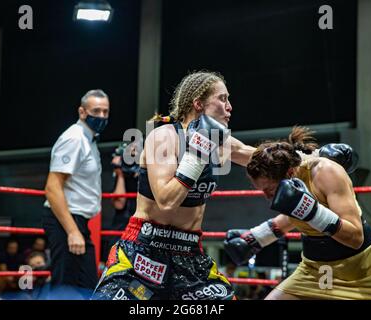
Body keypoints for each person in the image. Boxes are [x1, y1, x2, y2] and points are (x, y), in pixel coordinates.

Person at [92, 71, 353, 300]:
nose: (230, 107)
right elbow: (166, 199)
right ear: (198, 103)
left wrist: (318, 156)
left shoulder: (221, 142)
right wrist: (197, 154)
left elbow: (262, 157)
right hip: (144, 251)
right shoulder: (164, 137)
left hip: (189, 255)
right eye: (222, 99)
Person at [224, 126, 371, 300]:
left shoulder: (327, 172)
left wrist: (313, 212)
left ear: (290, 173)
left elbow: (355, 238)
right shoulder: (268, 163)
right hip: (315, 270)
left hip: (363, 271)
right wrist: (257, 237)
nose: (267, 196)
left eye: (269, 189)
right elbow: (236, 149)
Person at [43, 89, 109, 298]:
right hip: (66, 221)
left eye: (105, 112)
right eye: (96, 111)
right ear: (82, 112)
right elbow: (52, 187)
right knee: (66, 288)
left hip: (78, 222)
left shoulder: (89, 139)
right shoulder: (74, 138)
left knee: (86, 286)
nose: (101, 116)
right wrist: (72, 231)